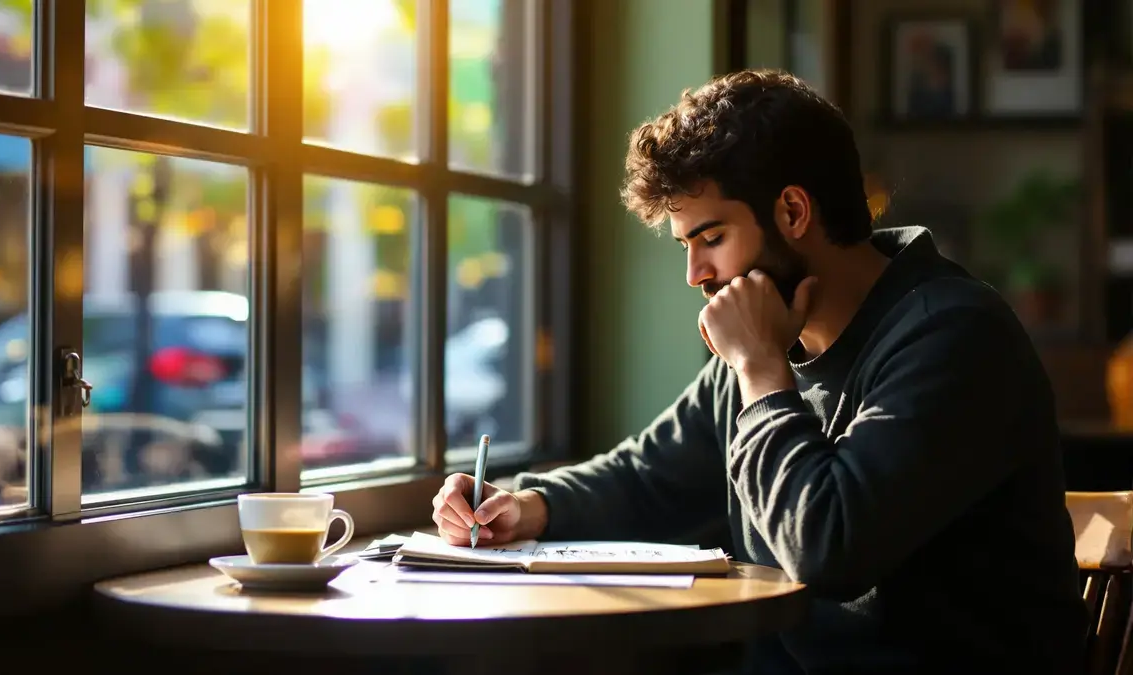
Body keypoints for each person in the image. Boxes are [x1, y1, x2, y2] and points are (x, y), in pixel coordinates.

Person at [430, 69, 1087, 674]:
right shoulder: (769, 345)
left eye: (711, 238)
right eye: (687, 246)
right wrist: (525, 506)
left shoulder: (953, 335)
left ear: (794, 212)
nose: (696, 275)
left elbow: (830, 547)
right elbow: (647, 476)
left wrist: (762, 371)